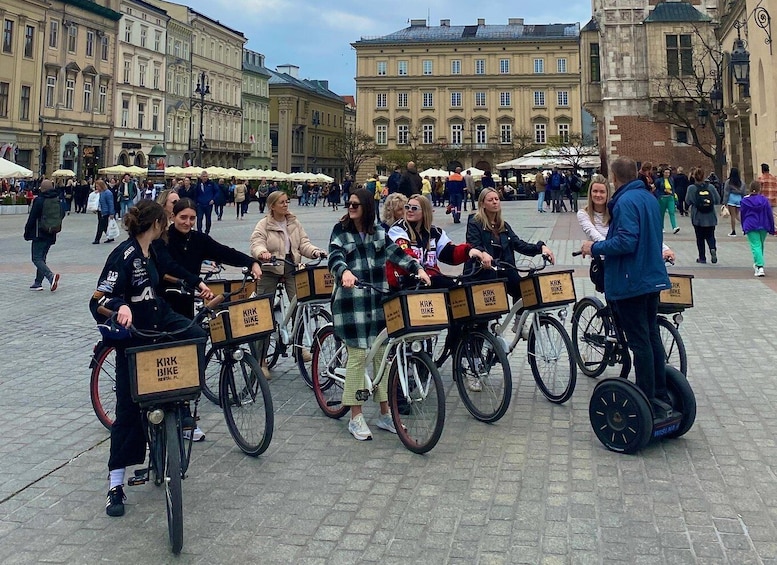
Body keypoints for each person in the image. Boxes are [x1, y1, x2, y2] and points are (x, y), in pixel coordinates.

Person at [89, 200, 208, 517]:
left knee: (197, 334)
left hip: (161, 318)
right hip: (135, 336)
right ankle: (116, 484)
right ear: (155, 223)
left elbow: (167, 274)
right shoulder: (124, 255)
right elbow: (98, 300)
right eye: (164, 222)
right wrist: (120, 306)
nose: (167, 227)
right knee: (128, 410)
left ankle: (184, 399)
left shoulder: (151, 251)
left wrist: (194, 284)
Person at [327, 188, 431, 441]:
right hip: (351, 304)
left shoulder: (378, 232)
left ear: (366, 207)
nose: (351, 208)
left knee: (383, 356)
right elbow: (334, 256)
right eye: (349, 204)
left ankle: (386, 413)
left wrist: (417, 268)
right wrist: (344, 272)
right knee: (359, 356)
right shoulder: (341, 231)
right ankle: (355, 416)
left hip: (376, 300)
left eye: (355, 205)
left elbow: (396, 253)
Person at [580, 156, 673, 418]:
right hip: (652, 278)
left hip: (631, 280)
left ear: (614, 178)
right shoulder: (649, 198)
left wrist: (594, 247)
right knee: (652, 336)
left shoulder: (625, 202)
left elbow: (625, 241)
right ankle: (659, 393)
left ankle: (645, 398)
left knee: (640, 342)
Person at [249, 190, 326, 379]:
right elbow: (256, 243)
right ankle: (261, 359)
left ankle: (299, 348)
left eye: (287, 201)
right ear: (272, 206)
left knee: (300, 304)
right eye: (282, 202)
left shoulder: (293, 222)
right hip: (270, 269)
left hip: (291, 267)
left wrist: (316, 252)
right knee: (264, 312)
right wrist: (262, 254)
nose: (285, 205)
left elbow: (303, 244)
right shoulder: (264, 224)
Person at [578, 174, 674, 291]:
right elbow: (597, 236)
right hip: (604, 263)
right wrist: (601, 247)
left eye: (602, 192)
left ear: (608, 193)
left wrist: (664, 248)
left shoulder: (615, 209)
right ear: (590, 193)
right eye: (595, 191)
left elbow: (640, 232)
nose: (598, 195)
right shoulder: (584, 214)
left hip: (622, 261)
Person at [466, 187, 555, 300]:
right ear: (482, 204)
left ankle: (519, 318)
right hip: (483, 271)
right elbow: (473, 244)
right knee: (489, 307)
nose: (495, 202)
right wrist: (482, 254)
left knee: (525, 291)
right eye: (490, 200)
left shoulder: (503, 225)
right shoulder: (475, 223)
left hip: (505, 269)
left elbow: (518, 244)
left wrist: (541, 247)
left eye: (497, 199)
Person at [24, 179, 62, 292]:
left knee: (36, 258)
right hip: (51, 233)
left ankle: (51, 277)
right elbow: (62, 214)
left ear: (42, 188)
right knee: (42, 258)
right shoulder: (56, 200)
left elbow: (32, 217)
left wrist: (27, 231)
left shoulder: (39, 200)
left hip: (39, 233)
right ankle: (38, 282)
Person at [685, 167, 720, 264]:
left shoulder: (691, 188)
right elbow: (717, 199)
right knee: (711, 235)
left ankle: (702, 257)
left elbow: (688, 201)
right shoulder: (711, 187)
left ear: (694, 177)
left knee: (700, 238)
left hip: (698, 216)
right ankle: (712, 248)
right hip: (710, 216)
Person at [740, 180, 775, 277]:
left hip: (751, 224)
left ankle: (760, 266)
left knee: (755, 245)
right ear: (760, 189)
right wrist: (772, 227)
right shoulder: (764, 200)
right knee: (760, 245)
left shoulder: (745, 201)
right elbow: (769, 214)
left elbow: (742, 214)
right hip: (763, 224)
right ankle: (758, 263)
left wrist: (743, 226)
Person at [722, 167, 747, 237]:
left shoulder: (729, 182)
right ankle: (744, 228)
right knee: (738, 215)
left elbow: (726, 192)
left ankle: (733, 231)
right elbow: (744, 192)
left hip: (731, 198)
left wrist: (725, 202)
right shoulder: (741, 182)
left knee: (732, 216)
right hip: (739, 198)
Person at [657, 167, 680, 234]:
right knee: (662, 213)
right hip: (662, 197)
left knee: (671, 211)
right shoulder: (659, 180)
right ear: (663, 173)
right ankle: (661, 227)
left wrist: (673, 194)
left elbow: (673, 188)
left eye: (668, 173)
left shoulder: (671, 179)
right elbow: (657, 189)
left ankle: (674, 227)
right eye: (666, 172)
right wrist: (660, 194)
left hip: (670, 197)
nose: (667, 174)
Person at [93, 179, 116, 244]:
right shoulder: (99, 193)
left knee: (100, 225)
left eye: (98, 186)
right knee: (104, 225)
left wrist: (111, 213)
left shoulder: (107, 193)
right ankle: (110, 237)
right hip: (100, 211)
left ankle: (97, 239)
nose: (97, 188)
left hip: (105, 212)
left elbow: (110, 203)